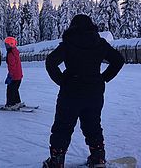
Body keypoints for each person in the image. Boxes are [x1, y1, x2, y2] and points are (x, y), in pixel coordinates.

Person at [43, 14, 125, 168]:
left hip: (70, 92)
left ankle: (56, 161)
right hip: (94, 93)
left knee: (63, 126)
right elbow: (118, 60)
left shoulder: (68, 44)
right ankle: (98, 158)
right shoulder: (100, 43)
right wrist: (103, 78)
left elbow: (50, 62)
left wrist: (62, 81)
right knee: (93, 125)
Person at [4, 36, 23, 110]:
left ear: (10, 45)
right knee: (15, 89)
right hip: (18, 75)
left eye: (6, 44)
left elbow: (12, 65)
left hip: (14, 75)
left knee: (10, 90)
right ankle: (17, 102)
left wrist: (10, 75)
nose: (6, 46)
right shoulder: (15, 51)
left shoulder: (10, 53)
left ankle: (10, 104)